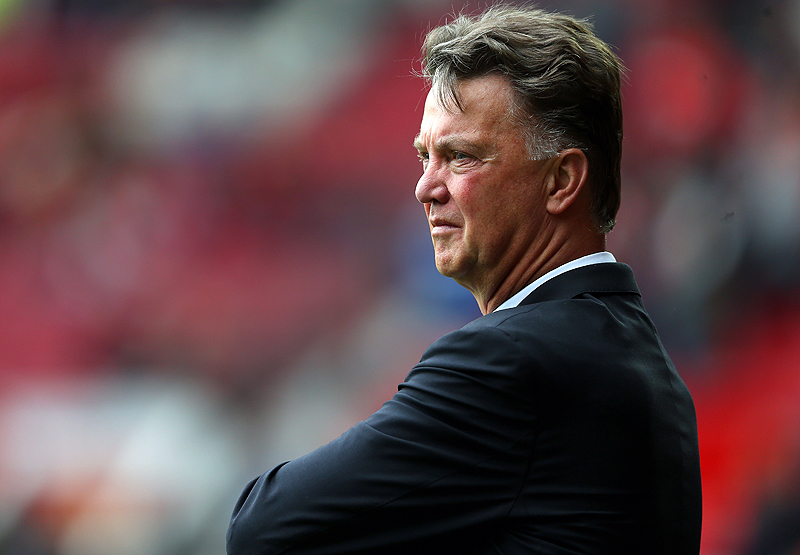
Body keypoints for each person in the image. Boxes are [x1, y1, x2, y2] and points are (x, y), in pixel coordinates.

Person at [226, 5, 702, 554]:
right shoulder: (652, 370)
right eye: (424, 156)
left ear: (562, 180)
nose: (425, 188)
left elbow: (264, 529)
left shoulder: (511, 361)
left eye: (460, 157)